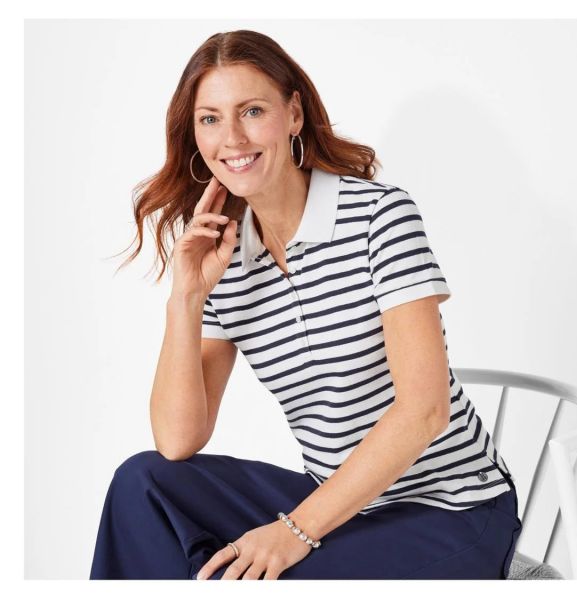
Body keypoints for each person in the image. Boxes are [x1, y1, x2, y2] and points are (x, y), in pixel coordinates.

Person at [90, 29, 522, 580]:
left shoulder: (379, 217)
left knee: (269, 577)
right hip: (339, 504)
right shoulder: (222, 254)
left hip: (451, 508)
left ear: (293, 114)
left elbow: (425, 412)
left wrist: (294, 532)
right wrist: (186, 297)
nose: (232, 138)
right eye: (210, 119)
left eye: (252, 111)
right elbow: (177, 441)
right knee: (143, 481)